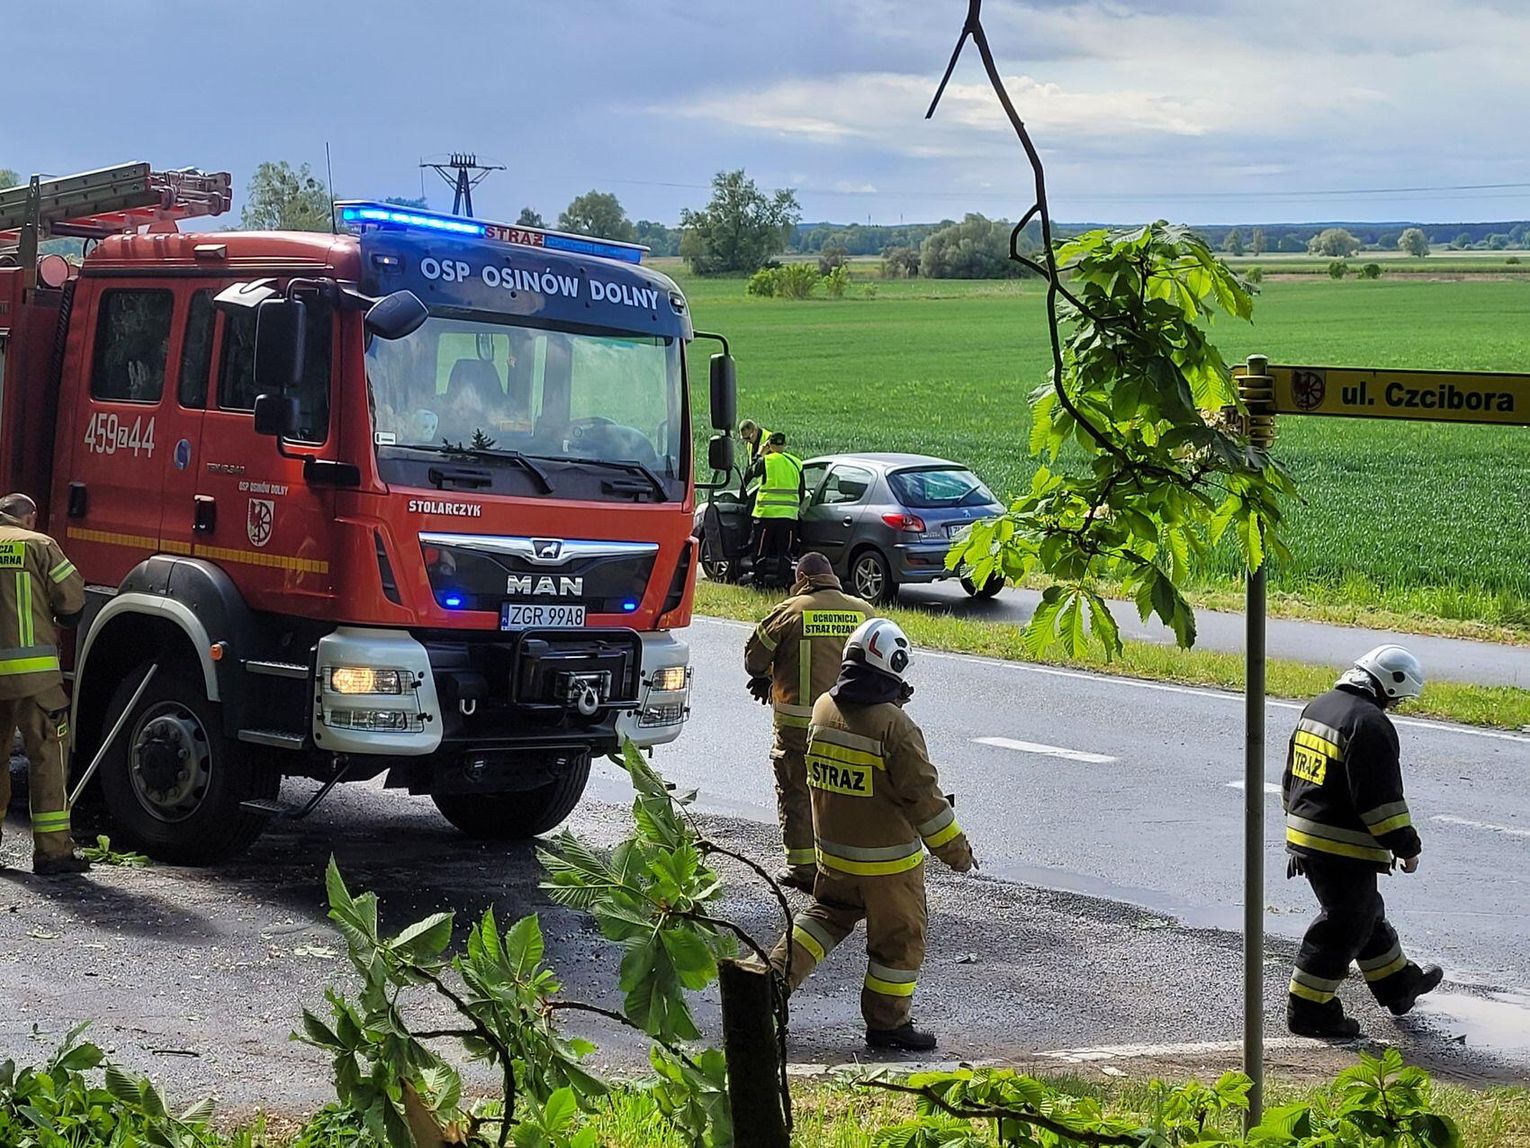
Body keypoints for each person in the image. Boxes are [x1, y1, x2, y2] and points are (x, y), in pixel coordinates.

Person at [768, 619, 975, 1051]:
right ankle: (887, 1024)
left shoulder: (824, 708)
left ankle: (767, 983)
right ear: (893, 666)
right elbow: (926, 802)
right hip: (888, 867)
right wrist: (957, 854)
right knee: (899, 942)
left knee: (823, 919)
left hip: (835, 860)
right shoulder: (895, 727)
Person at [1283, 644, 1443, 1039]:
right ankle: (1309, 1010)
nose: (1396, 706)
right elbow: (1379, 800)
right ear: (1390, 685)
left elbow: (1293, 778)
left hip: (1308, 834)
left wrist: (1300, 838)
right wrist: (1406, 846)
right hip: (1341, 845)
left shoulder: (1320, 707)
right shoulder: (1369, 723)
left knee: (1365, 914)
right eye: (1398, 699)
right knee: (1344, 924)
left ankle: (1399, 985)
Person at [743, 552, 878, 893]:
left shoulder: (791, 611)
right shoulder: (863, 611)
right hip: (851, 724)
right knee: (845, 792)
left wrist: (768, 674)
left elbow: (753, 661)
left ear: (802, 578)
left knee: (797, 791)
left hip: (799, 729)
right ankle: (848, 866)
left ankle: (804, 868)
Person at [0, 493, 90, 876]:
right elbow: (72, 601)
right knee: (48, 757)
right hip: (33, 678)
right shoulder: (39, 545)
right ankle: (53, 853)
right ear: (30, 517)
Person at [746, 432, 805, 588]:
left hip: (766, 515)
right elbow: (802, 492)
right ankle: (782, 583)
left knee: (760, 550)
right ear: (784, 445)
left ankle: (759, 582)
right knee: (785, 552)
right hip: (789, 517)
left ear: (769, 445)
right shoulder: (796, 463)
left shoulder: (766, 461)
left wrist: (759, 453)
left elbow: (750, 473)